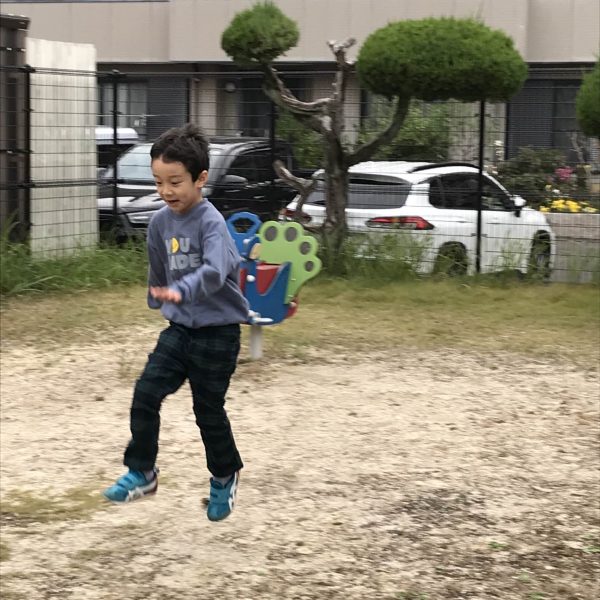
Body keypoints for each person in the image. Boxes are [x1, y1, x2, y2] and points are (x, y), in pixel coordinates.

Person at [103, 123, 249, 522]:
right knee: (145, 393)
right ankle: (142, 472)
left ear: (200, 179)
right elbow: (158, 268)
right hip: (180, 330)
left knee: (208, 410)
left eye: (175, 182)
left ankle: (224, 475)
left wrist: (182, 290)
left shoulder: (211, 223)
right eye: (158, 182)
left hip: (218, 332)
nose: (166, 191)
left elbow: (216, 271)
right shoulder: (159, 223)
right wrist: (157, 296)